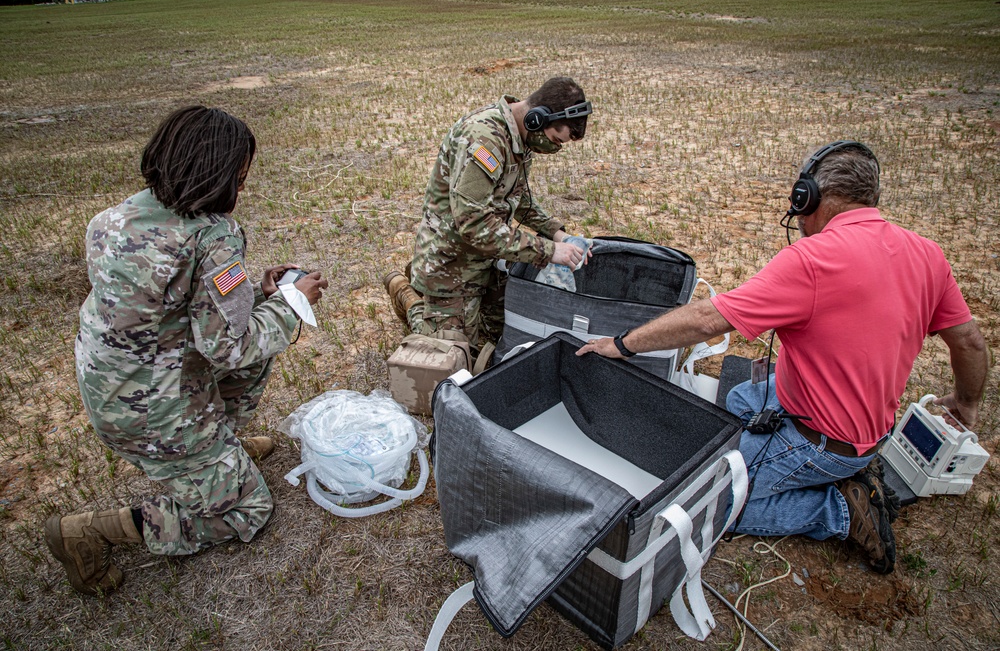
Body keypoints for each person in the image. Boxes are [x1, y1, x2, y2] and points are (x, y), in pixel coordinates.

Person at [576, 141, 989, 574]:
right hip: (865, 426)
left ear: (809, 196)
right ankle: (827, 471)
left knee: (704, 505)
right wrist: (966, 403)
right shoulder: (928, 253)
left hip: (826, 443)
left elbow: (705, 320)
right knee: (739, 401)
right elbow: (970, 343)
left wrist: (620, 344)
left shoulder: (812, 261)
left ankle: (839, 512)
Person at [46, 105, 329, 595]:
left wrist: (257, 296)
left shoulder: (114, 217)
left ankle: (218, 451)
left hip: (114, 391)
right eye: (239, 180)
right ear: (217, 176)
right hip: (156, 413)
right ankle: (91, 531)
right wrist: (291, 303)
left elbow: (170, 314)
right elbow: (230, 347)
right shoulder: (213, 235)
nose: (241, 191)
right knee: (251, 510)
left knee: (257, 352)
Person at [383, 76, 592, 354]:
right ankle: (407, 295)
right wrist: (548, 250)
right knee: (454, 355)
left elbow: (519, 198)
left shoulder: (519, 138)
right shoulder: (484, 139)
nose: (554, 149)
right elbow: (473, 224)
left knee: (505, 337)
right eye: (555, 140)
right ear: (536, 119)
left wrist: (558, 232)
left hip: (488, 257)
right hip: (450, 266)